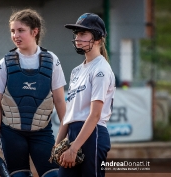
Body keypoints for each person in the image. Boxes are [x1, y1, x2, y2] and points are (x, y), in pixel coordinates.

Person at [0, 9, 66, 177]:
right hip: (11, 134)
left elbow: (59, 101)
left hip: (42, 133)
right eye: (13, 31)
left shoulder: (52, 60)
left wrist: (67, 137)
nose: (16, 35)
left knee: (54, 175)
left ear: (34, 31)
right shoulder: (4, 64)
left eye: (21, 30)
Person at [55, 13, 116, 177]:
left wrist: (74, 148)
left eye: (83, 34)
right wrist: (58, 143)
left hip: (93, 135)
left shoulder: (101, 69)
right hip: (74, 135)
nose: (77, 38)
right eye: (76, 34)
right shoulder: (76, 71)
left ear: (97, 38)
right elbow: (70, 113)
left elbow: (95, 115)